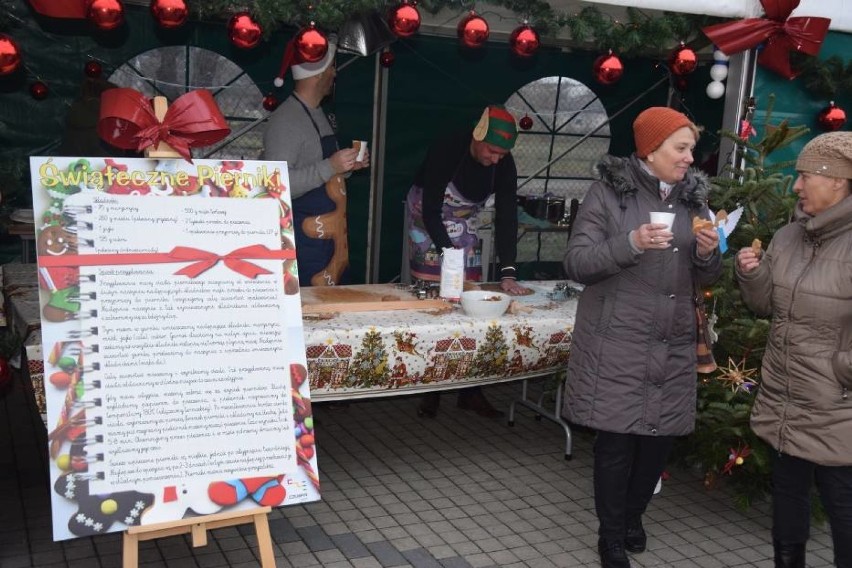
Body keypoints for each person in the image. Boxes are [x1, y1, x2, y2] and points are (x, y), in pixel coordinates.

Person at [562, 107, 722, 568]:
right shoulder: (607, 193)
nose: (691, 158)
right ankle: (611, 537)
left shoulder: (696, 200)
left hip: (672, 342)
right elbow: (577, 262)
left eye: (692, 147)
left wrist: (710, 254)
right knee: (615, 444)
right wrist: (630, 243)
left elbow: (706, 272)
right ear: (650, 150)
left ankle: (633, 516)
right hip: (617, 341)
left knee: (658, 441)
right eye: (681, 148)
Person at [735, 131, 852, 568]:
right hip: (782, 397)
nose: (797, 186)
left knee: (844, 506)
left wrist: (840, 370)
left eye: (805, 176)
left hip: (837, 407)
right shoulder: (787, 238)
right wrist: (752, 275)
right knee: (788, 495)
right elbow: (764, 306)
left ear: (837, 181)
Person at [406, 105, 531, 419]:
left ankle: (470, 390)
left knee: (470, 303)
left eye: (503, 154)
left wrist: (508, 272)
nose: (496, 159)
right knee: (436, 303)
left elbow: (506, 216)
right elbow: (432, 209)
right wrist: (449, 257)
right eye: (492, 151)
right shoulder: (450, 146)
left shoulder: (504, 163)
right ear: (477, 136)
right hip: (428, 219)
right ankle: (430, 389)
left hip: (465, 224)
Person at [264, 35, 369, 287]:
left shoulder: (321, 114)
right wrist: (330, 166)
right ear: (318, 74)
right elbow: (275, 185)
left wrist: (346, 168)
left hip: (332, 245)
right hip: (305, 246)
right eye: (332, 67)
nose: (335, 73)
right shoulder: (285, 121)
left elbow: (323, 172)